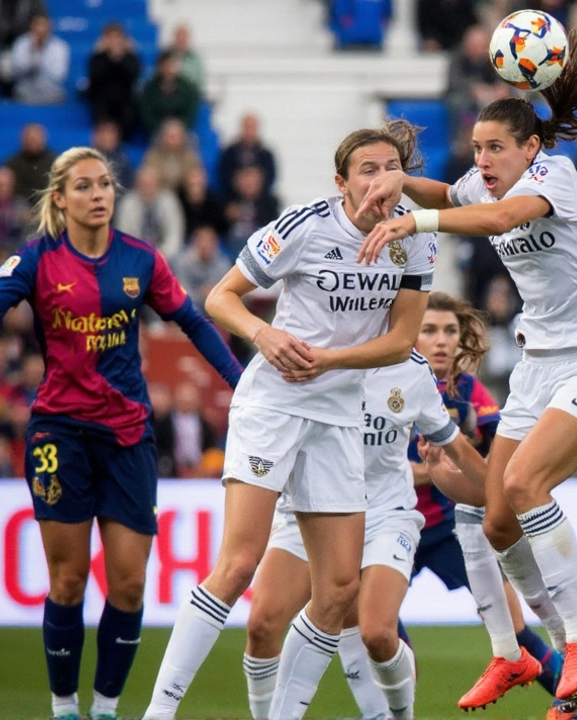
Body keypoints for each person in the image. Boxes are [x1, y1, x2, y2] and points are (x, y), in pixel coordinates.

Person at [355, 29, 577, 717]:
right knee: (495, 518)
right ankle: (516, 653)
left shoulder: (554, 179)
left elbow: (499, 217)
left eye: (495, 149)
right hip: (541, 367)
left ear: (530, 149)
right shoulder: (484, 182)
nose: (482, 160)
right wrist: (397, 181)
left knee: (524, 482)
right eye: (478, 148)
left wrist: (412, 218)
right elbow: (455, 192)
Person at [141, 121, 437, 720]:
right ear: (342, 183)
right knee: (239, 564)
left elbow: (403, 339)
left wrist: (330, 361)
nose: (382, 180)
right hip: (274, 403)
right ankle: (159, 712)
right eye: (368, 170)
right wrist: (263, 332)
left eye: (390, 168)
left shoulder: (416, 240)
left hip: (337, 414)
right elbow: (220, 297)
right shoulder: (305, 225)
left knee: (338, 591)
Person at [0, 147, 243, 720]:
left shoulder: (141, 259)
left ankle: (106, 708)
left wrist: (241, 382)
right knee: (67, 581)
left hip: (128, 436)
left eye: (105, 185)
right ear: (60, 199)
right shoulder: (36, 259)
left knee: (130, 586)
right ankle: (65, 708)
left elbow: (190, 320)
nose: (98, 194)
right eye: (84, 186)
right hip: (60, 435)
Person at [243, 355, 486, 720]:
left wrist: (497, 493)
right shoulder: (312, 354)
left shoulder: (411, 370)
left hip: (386, 515)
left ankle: (399, 716)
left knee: (377, 633)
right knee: (261, 624)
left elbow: (454, 444)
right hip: (312, 508)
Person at [405, 291, 577, 713]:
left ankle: (576, 705)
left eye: (451, 331)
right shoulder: (393, 385)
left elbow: (503, 454)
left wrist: (462, 462)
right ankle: (392, 708)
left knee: (516, 628)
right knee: (376, 630)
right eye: (430, 331)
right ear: (412, 336)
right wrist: (442, 467)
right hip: (395, 524)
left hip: (449, 527)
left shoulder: (467, 389)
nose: (442, 340)